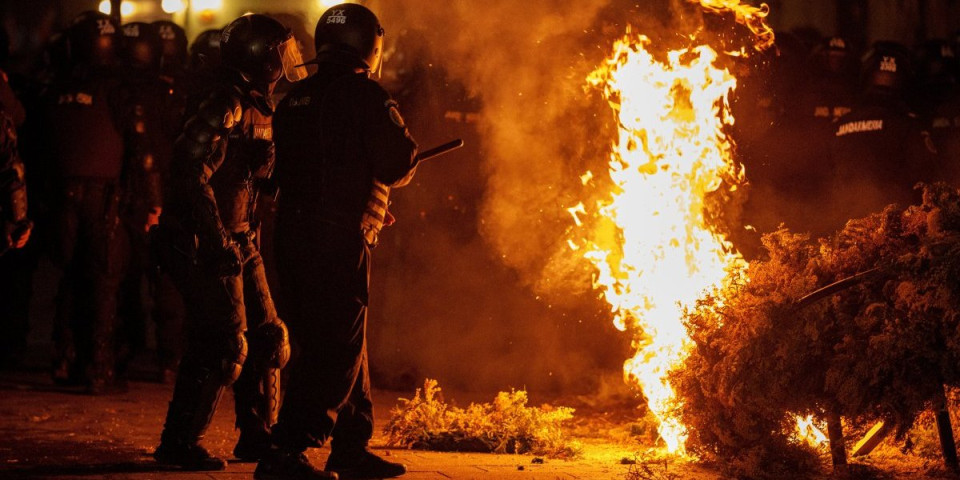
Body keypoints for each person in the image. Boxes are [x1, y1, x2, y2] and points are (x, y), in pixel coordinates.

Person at [255, 4, 418, 480]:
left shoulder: (295, 97)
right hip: (336, 239)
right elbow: (398, 162)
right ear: (371, 45)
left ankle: (350, 446)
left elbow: (290, 172)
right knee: (336, 351)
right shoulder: (364, 94)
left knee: (339, 341)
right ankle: (288, 448)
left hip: (293, 234)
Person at [152, 13, 306, 471]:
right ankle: (179, 443)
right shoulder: (224, 102)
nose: (287, 64)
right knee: (221, 340)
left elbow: (253, 177)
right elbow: (189, 173)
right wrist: (215, 241)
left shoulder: (260, 104)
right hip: (203, 238)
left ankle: (257, 435)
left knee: (269, 337)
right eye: (281, 54)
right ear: (260, 56)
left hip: (242, 234)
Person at [43, 11, 156, 393]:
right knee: (104, 283)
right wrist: (151, 200)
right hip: (103, 199)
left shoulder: (57, 86)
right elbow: (141, 151)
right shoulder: (119, 89)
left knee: (69, 277)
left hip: (61, 196)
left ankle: (64, 360)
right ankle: (97, 368)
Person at [827, 41, 939, 230]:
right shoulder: (909, 125)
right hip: (895, 231)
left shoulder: (838, 125)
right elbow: (930, 181)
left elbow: (824, 179)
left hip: (845, 230)